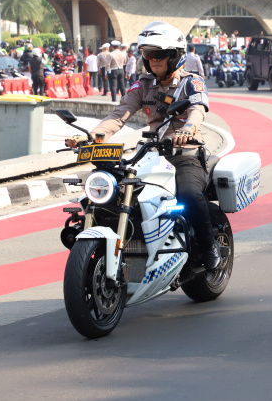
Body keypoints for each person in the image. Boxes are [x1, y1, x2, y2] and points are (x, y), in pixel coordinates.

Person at [63, 22, 221, 270]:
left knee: (189, 196)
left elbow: (197, 110)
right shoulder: (143, 84)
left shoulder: (192, 82)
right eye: (149, 54)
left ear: (175, 55)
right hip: (151, 153)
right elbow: (119, 114)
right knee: (114, 191)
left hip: (184, 153)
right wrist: (93, 136)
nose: (154, 60)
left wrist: (188, 129)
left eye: (160, 54)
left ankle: (208, 247)